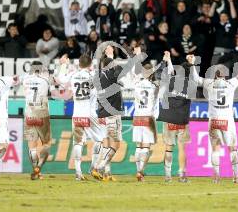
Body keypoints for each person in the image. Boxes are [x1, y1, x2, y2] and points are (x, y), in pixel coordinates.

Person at [188, 45, 238, 183]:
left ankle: (216, 176)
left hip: (214, 121)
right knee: (232, 148)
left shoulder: (209, 83)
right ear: (225, 74)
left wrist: (192, 64)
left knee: (215, 148)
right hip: (227, 120)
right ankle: (236, 176)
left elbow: (196, 78)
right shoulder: (230, 83)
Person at [91, 44, 142, 181]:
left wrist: (110, 56)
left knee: (107, 142)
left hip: (102, 112)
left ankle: (105, 172)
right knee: (116, 143)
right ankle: (98, 167)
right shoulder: (111, 73)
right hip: (112, 113)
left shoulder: (99, 76)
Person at [57, 54, 104, 181]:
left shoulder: (73, 75)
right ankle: (93, 167)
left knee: (78, 143)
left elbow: (60, 79)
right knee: (99, 140)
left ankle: (78, 172)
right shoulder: (93, 76)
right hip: (90, 114)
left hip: (77, 114)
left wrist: (63, 65)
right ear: (90, 65)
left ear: (79, 64)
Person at [158, 52, 195, 183]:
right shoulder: (191, 85)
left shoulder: (171, 79)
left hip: (168, 117)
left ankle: (168, 176)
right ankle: (182, 175)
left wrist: (168, 60)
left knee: (168, 147)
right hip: (182, 120)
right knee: (181, 148)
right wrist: (192, 63)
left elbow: (167, 73)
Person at [131, 48, 161, 182]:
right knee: (146, 146)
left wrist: (137, 56)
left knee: (138, 146)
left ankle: (139, 172)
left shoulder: (137, 83)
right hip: (148, 117)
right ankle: (140, 171)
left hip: (137, 117)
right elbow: (156, 104)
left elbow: (133, 71)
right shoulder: (155, 86)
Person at [20, 61, 51, 180]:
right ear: (40, 69)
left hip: (29, 114)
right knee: (46, 144)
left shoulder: (25, 80)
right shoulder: (45, 81)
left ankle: (35, 170)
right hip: (42, 113)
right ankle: (38, 168)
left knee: (32, 146)